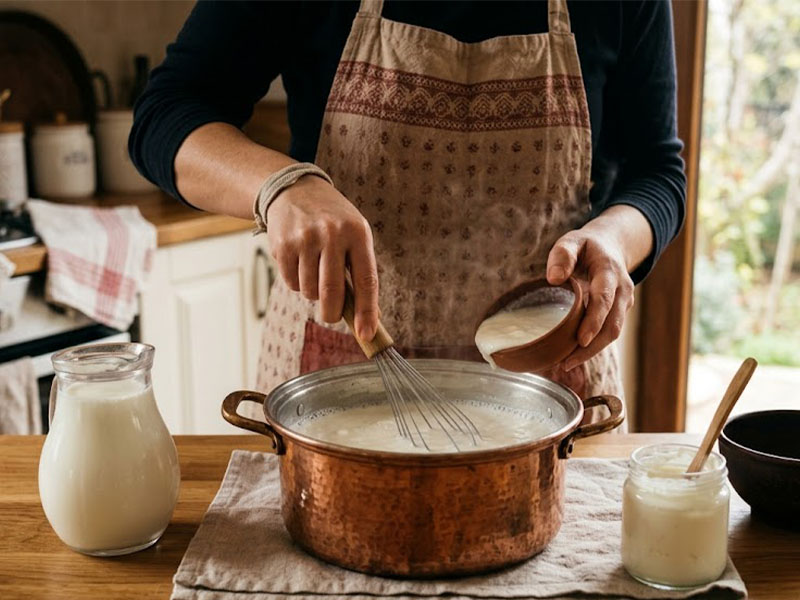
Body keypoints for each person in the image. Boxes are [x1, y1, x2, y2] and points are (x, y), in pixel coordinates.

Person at [130, 0, 686, 403]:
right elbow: (165, 116)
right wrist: (279, 186)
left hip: (548, 389)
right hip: (332, 385)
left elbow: (657, 170)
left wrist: (614, 238)